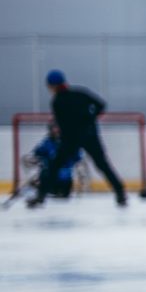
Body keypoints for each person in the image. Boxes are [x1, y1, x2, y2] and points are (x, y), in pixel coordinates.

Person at [28, 69, 125, 208]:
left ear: (52, 86)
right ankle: (120, 193)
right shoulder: (80, 93)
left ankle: (40, 196)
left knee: (54, 166)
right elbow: (101, 105)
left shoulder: (57, 101)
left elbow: (63, 125)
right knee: (102, 164)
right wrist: (90, 119)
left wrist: (67, 139)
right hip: (90, 135)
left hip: (71, 139)